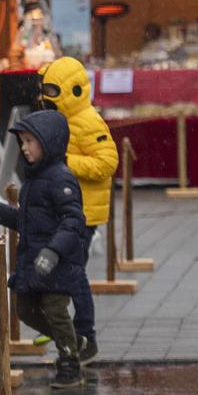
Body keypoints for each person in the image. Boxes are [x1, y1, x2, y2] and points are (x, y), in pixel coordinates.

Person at [0, 110, 88, 388]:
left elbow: (73, 220)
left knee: (55, 310)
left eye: (30, 141)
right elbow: (27, 220)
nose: (24, 148)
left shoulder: (60, 178)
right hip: (34, 260)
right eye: (22, 142)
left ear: (48, 142)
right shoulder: (34, 178)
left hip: (58, 262)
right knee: (25, 309)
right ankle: (72, 340)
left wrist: (53, 251)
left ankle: (70, 364)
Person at [38, 56, 117, 364]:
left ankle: (85, 335)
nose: (46, 99)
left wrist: (67, 162)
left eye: (53, 92)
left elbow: (107, 162)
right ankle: (67, 328)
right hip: (68, 210)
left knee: (73, 275)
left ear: (71, 91)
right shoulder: (61, 120)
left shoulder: (88, 122)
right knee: (68, 273)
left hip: (84, 213)